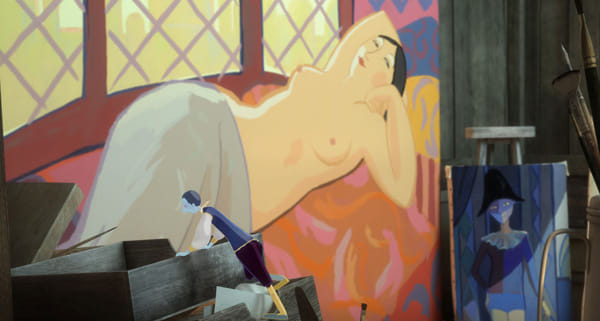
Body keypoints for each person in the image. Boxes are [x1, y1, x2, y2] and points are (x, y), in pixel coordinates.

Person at [65, 11, 416, 251]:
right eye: (374, 45)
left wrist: (393, 101)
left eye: (385, 61)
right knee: (119, 236)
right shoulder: (329, 81)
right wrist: (380, 53)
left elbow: (402, 190)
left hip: (233, 182)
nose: (372, 51)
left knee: (141, 254)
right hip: (213, 120)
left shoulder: (367, 124)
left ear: (389, 85)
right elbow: (375, 25)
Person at [471, 169, 553, 321]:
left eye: (505, 204)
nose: (501, 210)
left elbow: (532, 274)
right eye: (495, 207)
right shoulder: (488, 242)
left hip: (516, 300)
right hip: (496, 301)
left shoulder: (522, 238)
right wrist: (489, 290)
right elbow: (475, 271)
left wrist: (543, 303)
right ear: (489, 210)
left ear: (513, 205)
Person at [179, 190, 288, 320]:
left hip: (244, 248)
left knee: (264, 280)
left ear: (192, 204)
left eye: (185, 205)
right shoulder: (210, 210)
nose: (184, 209)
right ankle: (280, 282)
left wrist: (189, 250)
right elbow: (221, 230)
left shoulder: (206, 215)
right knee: (254, 273)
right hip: (252, 243)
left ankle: (282, 312)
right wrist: (211, 244)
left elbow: (202, 236)